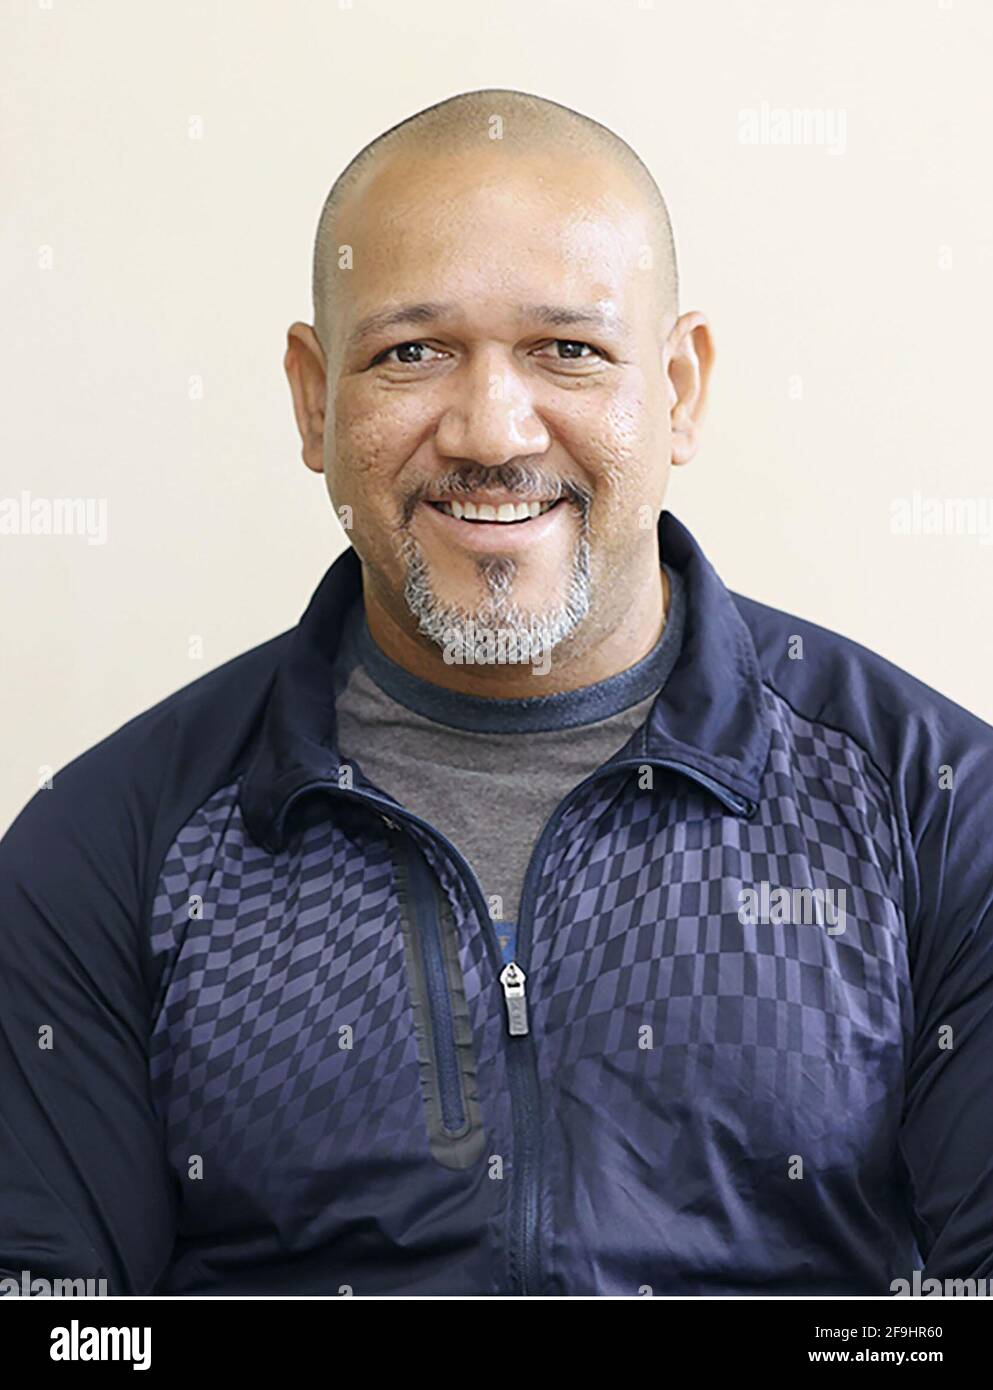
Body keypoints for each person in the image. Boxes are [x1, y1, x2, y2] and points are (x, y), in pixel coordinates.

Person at [2, 88, 992, 1297]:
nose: (489, 427)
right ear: (315, 399)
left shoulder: (936, 807)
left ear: (677, 388)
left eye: (567, 349)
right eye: (411, 352)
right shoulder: (107, 843)